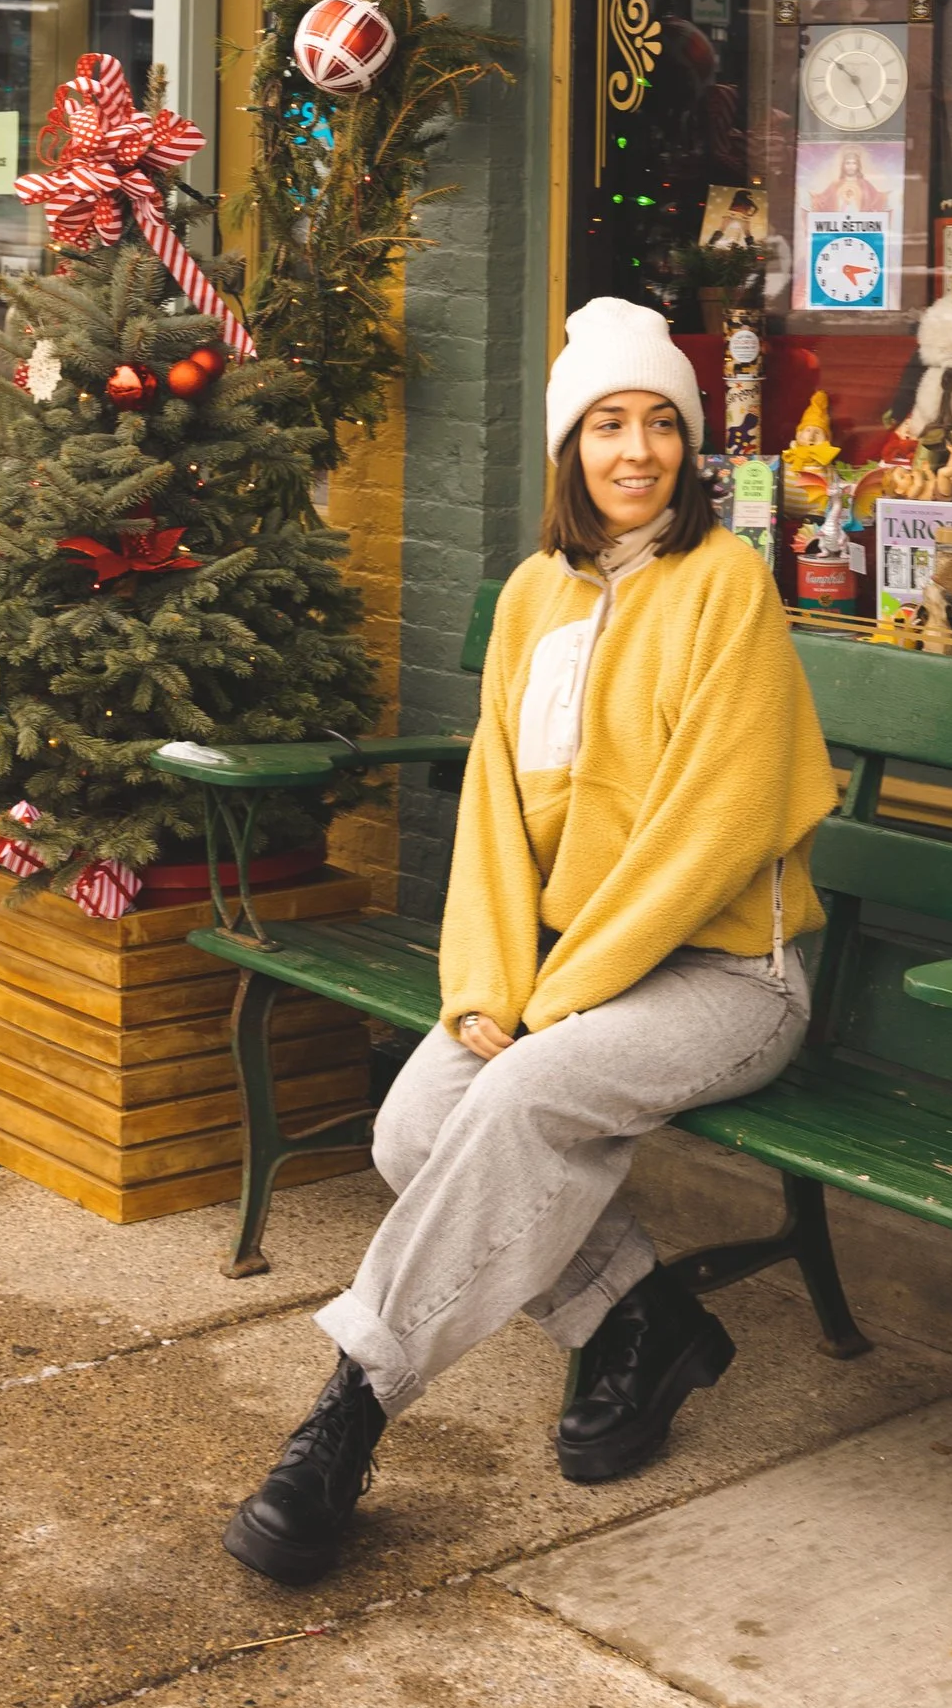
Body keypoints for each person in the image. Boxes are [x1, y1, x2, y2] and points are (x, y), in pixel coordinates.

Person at [223, 297, 836, 1585]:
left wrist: (554, 1007)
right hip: (570, 977)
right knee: (411, 1126)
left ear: (689, 444)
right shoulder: (529, 598)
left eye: (661, 423)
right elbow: (494, 817)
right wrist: (486, 989)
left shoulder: (726, 585)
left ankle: (349, 1414)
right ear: (569, 446)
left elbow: (711, 834)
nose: (637, 451)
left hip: (731, 976)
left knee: (515, 1098)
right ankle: (641, 1322)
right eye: (608, 424)